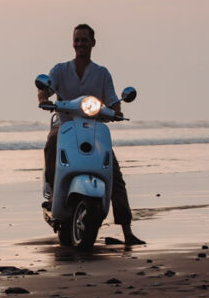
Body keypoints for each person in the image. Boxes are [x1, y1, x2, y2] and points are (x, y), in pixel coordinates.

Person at [38, 23, 144, 246]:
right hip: (65, 126)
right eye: (77, 40)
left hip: (93, 131)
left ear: (93, 43)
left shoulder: (102, 73)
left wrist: (116, 111)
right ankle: (51, 194)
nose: (80, 44)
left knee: (114, 173)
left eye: (84, 40)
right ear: (72, 43)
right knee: (51, 144)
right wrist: (43, 98)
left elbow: (113, 101)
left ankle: (127, 230)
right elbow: (45, 88)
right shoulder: (60, 70)